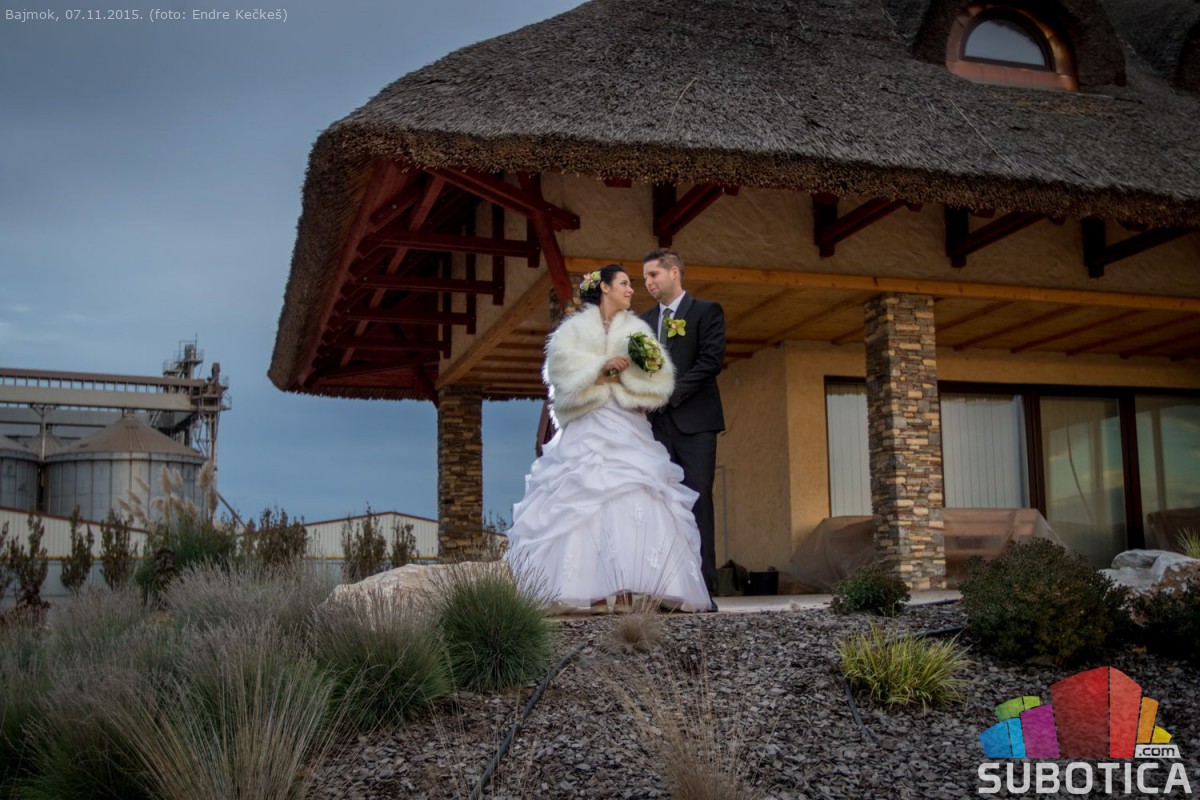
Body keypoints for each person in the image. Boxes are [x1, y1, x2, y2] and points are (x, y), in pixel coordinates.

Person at [505, 264, 711, 613]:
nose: (631, 290)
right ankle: (595, 593)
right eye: (625, 283)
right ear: (604, 288)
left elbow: (660, 377)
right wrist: (599, 368)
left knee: (635, 497)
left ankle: (629, 590)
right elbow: (559, 371)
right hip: (588, 422)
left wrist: (628, 377)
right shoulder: (572, 330)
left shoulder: (637, 330)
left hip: (627, 422)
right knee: (586, 499)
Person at [640, 248, 726, 606]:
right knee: (662, 503)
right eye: (645, 278)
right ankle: (669, 589)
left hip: (696, 424)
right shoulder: (643, 322)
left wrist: (670, 393)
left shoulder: (706, 311)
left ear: (674, 272)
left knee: (698, 498)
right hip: (655, 427)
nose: (648, 283)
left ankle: (703, 590)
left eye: (653, 275)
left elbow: (711, 361)